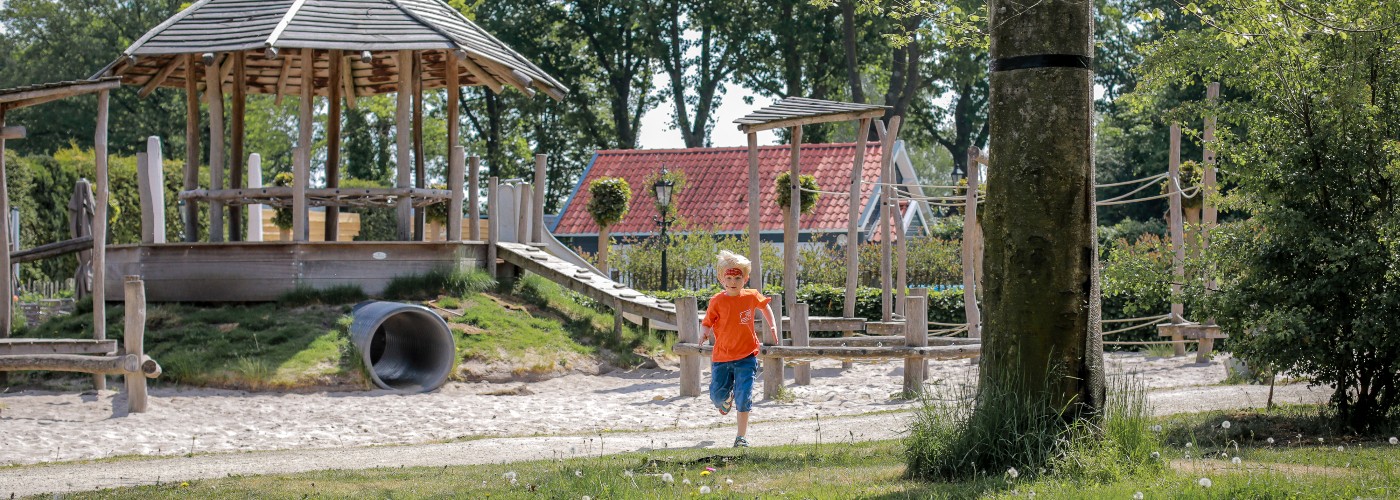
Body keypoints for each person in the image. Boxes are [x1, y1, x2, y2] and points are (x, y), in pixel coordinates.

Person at [700, 250, 778, 448]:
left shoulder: (751, 296)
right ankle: (724, 401)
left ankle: (741, 437)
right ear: (722, 279)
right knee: (716, 396)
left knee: (744, 397)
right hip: (722, 358)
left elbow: (765, 307)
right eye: (729, 277)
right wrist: (704, 333)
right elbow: (707, 322)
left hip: (746, 356)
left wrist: (773, 326)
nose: (733, 281)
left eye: (737, 277)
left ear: (745, 278)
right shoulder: (716, 301)